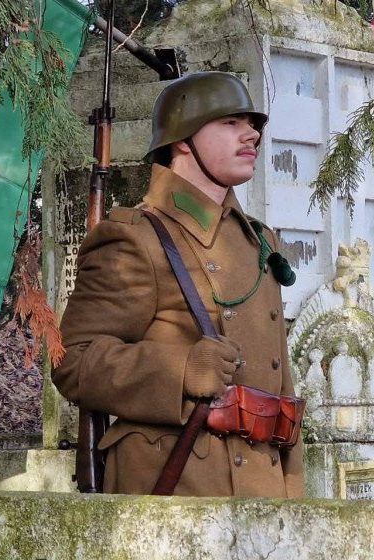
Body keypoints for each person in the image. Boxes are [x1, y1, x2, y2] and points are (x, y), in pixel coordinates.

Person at [53, 72, 303, 496]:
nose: (251, 136)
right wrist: (180, 370)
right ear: (182, 139)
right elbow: (72, 362)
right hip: (179, 487)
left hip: (263, 488)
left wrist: (294, 497)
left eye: (252, 125)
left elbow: (282, 394)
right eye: (229, 123)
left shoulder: (259, 240)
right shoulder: (136, 238)